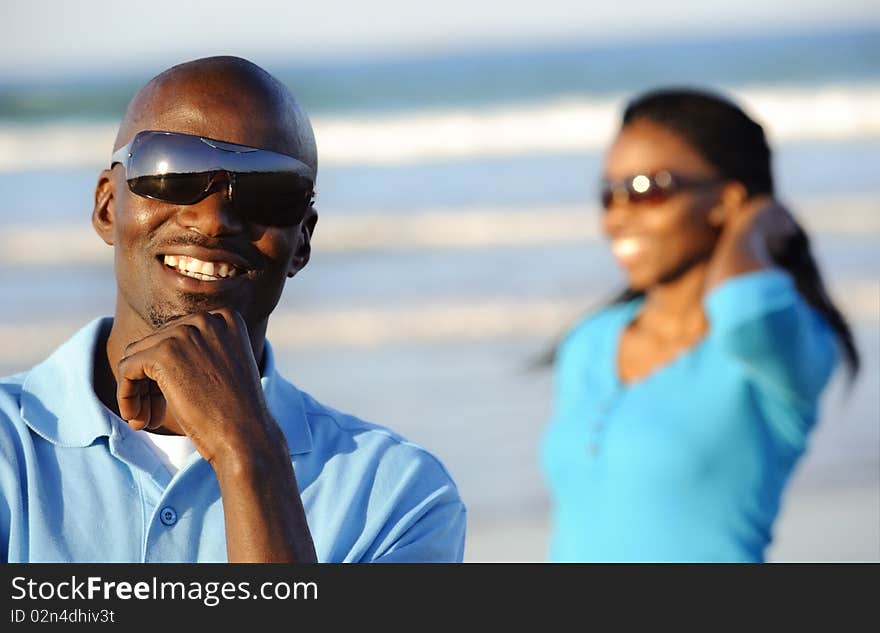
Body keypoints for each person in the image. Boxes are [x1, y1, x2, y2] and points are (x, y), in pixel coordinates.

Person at [0, 56, 465, 563]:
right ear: (108, 206)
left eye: (267, 191)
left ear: (301, 243)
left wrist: (248, 452)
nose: (214, 219)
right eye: (175, 172)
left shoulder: (398, 497)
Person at [539, 87, 859, 562]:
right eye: (610, 194)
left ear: (727, 201)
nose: (617, 218)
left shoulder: (781, 342)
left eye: (648, 190)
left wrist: (754, 226)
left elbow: (743, 308)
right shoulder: (590, 342)